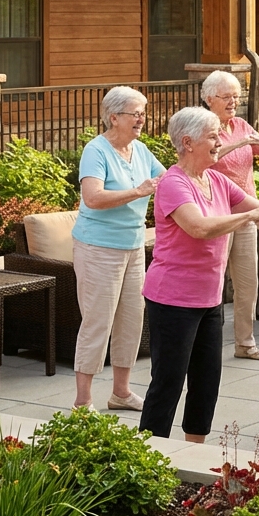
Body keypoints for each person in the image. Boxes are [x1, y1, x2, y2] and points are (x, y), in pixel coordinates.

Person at [139, 107, 259, 442]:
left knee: (206, 383)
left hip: (209, 298)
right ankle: (147, 456)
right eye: (213, 136)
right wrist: (250, 216)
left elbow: (253, 206)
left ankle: (194, 453)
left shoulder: (216, 180)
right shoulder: (173, 184)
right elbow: (199, 228)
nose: (220, 142)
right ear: (188, 143)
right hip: (172, 299)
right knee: (168, 382)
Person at [69, 86, 165, 412]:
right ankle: (83, 401)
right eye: (135, 114)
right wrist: (138, 191)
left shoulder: (140, 150)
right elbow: (93, 197)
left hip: (133, 247)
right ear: (114, 117)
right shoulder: (96, 151)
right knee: (97, 322)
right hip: (98, 248)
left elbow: (169, 180)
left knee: (131, 321)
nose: (142, 119)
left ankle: (120, 393)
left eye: (143, 113)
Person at [203, 70, 259, 362]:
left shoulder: (241, 125)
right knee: (212, 283)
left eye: (236, 96)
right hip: (216, 216)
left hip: (246, 214)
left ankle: (245, 344)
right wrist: (239, 144)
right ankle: (205, 345)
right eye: (226, 96)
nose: (233, 102)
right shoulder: (202, 127)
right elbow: (206, 158)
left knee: (248, 283)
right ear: (209, 99)